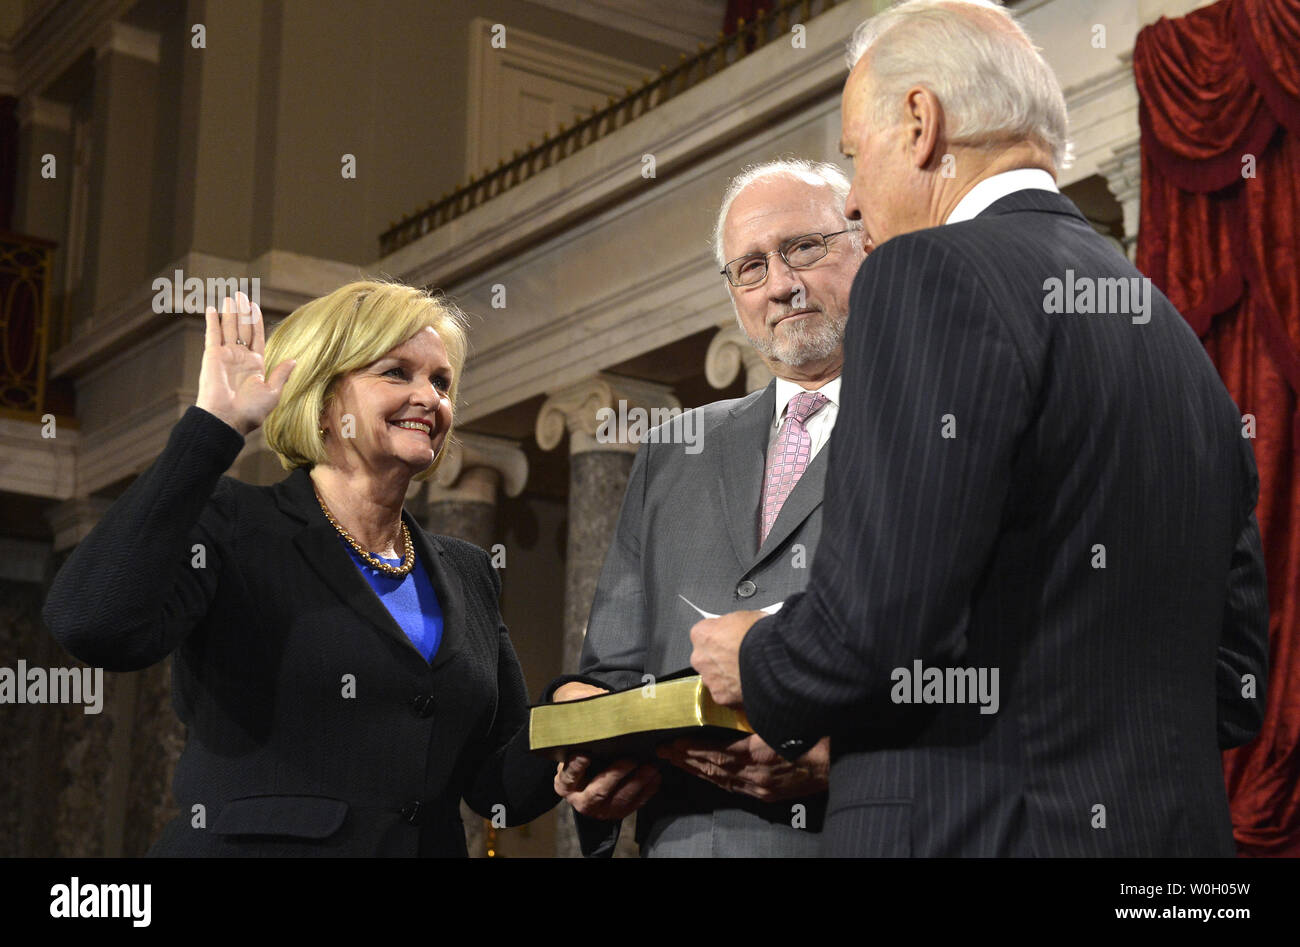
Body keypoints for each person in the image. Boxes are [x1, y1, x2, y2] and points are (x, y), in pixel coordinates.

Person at [690, 0, 1269, 857]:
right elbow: (1233, 682)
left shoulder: (925, 275)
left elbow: (876, 617)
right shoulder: (1170, 331)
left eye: (855, 153)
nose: (852, 198)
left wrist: (761, 660)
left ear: (921, 122)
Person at [43, 282, 559, 856]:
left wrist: (573, 723)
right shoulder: (235, 524)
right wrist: (211, 428)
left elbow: (499, 788)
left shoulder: (466, 570)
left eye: (441, 382)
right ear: (324, 398)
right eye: (396, 372)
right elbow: (92, 621)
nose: (430, 398)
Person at [551, 159, 865, 856]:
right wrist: (591, 756)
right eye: (750, 268)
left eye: (804, 248)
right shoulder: (674, 449)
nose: (781, 285)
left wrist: (844, 758)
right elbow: (613, 668)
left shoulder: (934, 423)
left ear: (865, 242)